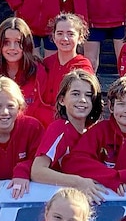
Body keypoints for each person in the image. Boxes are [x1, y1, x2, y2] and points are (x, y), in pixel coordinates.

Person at [31, 70, 107, 204]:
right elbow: (37, 171)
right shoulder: (59, 128)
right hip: (58, 202)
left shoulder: (95, 132)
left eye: (89, 95)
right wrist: (78, 182)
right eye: (75, 94)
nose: (82, 100)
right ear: (62, 100)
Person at [0, 17, 45, 120]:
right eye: (6, 42)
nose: (12, 47)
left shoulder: (38, 71)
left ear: (26, 44)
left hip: (30, 132)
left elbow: (42, 112)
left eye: (18, 42)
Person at [31, 13, 95, 125]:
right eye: (60, 33)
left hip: (67, 122)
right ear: (54, 37)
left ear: (80, 37)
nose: (64, 38)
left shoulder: (83, 66)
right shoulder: (46, 63)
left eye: (70, 34)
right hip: (41, 122)